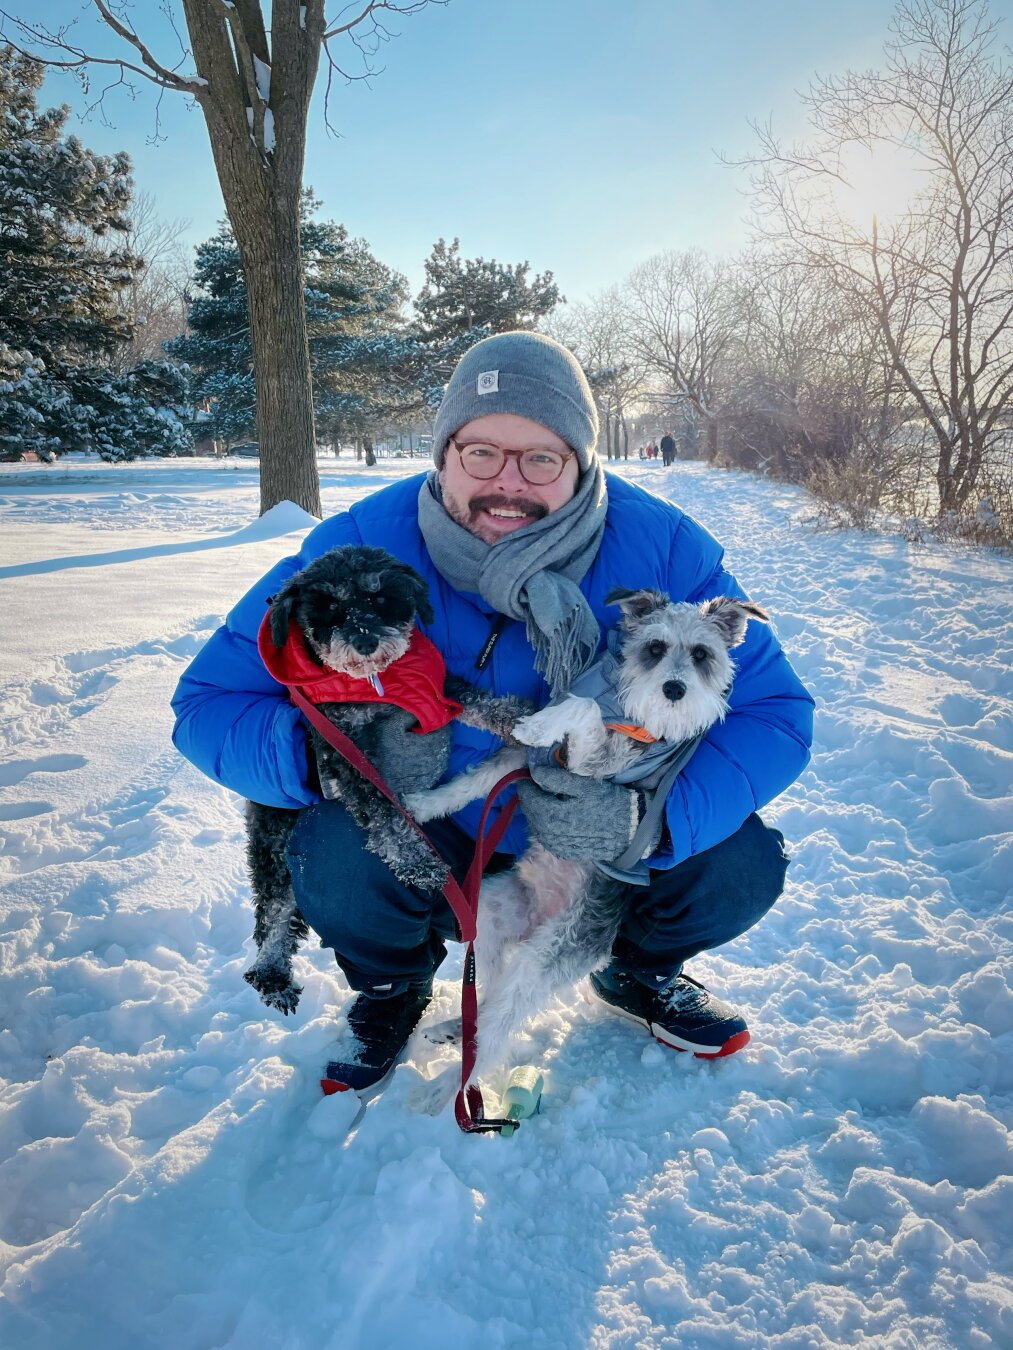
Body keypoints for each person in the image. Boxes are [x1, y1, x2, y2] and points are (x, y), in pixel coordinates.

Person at [172, 332, 813, 1090]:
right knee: (335, 850)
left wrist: (650, 820)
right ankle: (391, 989)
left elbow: (775, 715)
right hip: (430, 840)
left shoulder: (665, 549)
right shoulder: (355, 545)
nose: (507, 482)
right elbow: (208, 704)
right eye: (480, 453)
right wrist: (325, 755)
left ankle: (636, 970)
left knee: (738, 863)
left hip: (603, 851)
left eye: (541, 457)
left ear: (580, 464)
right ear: (442, 455)